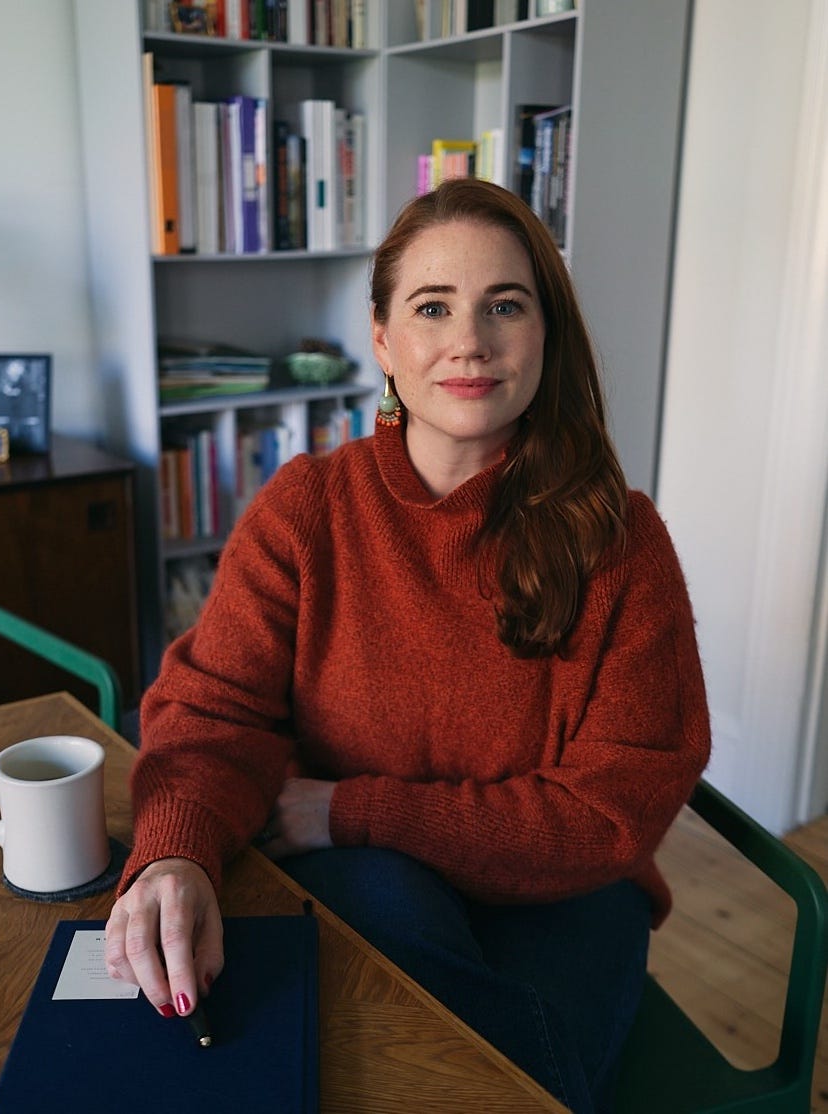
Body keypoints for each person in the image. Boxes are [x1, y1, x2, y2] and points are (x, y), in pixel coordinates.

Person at [105, 178, 711, 1113]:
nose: (470, 339)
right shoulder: (309, 511)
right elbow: (214, 713)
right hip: (375, 879)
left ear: (546, 334)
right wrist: (177, 851)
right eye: (434, 307)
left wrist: (354, 809)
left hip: (569, 891)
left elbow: (610, 814)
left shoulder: (620, 544)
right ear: (384, 340)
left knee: (512, 1078)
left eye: (505, 305)